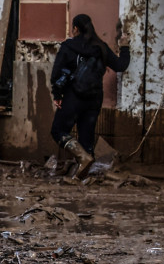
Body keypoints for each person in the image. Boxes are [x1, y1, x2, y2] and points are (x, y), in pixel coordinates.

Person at [50, 13, 130, 176]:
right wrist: (125, 47)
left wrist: (57, 95)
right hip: (94, 99)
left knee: (58, 131)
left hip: (73, 96)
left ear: (76, 28)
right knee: (86, 138)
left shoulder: (69, 46)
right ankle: (82, 177)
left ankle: (82, 158)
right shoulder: (101, 47)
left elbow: (57, 73)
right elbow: (121, 66)